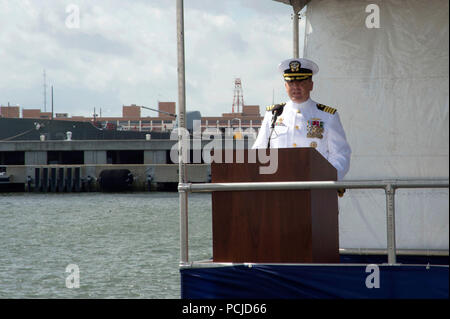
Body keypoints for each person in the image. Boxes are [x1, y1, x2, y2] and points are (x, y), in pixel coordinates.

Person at [252, 58, 351, 180]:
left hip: (315, 185)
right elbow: (258, 151)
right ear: (285, 86)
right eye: (291, 83)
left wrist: (327, 179)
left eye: (301, 82)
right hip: (278, 185)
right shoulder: (273, 115)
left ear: (311, 85)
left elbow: (340, 155)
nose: (296, 87)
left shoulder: (328, 116)